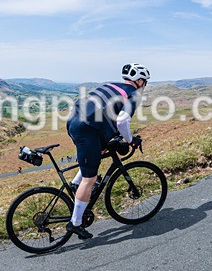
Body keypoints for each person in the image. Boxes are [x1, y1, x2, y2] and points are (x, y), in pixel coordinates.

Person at [64, 63, 149, 239]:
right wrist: (130, 140)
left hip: (74, 120)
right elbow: (122, 121)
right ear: (139, 81)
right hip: (87, 128)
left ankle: (74, 185)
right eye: (145, 82)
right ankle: (75, 223)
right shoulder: (133, 94)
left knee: (99, 152)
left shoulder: (112, 85)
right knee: (90, 178)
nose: (144, 86)